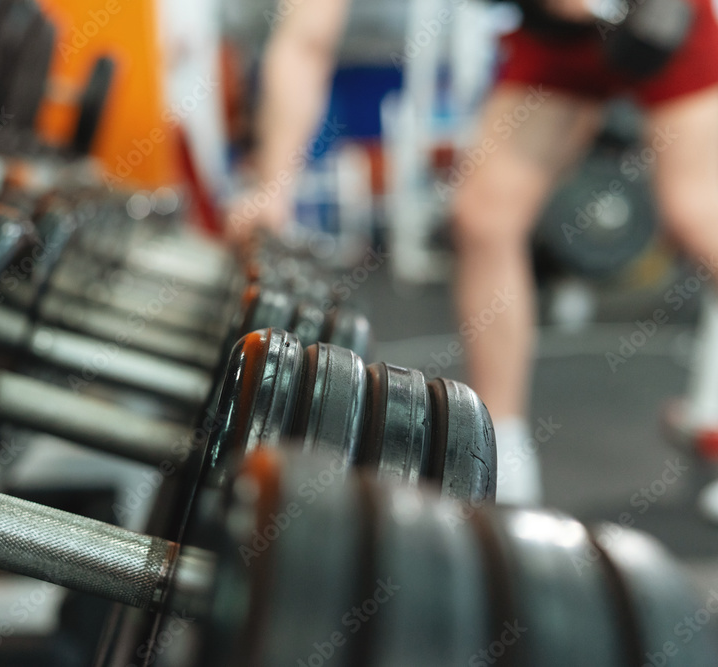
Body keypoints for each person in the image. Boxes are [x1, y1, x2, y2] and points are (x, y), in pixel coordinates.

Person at [229, 0, 718, 507]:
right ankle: (503, 462)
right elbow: (306, 41)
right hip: (560, 41)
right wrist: (273, 186)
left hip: (663, 18)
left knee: (695, 218)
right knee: (483, 218)